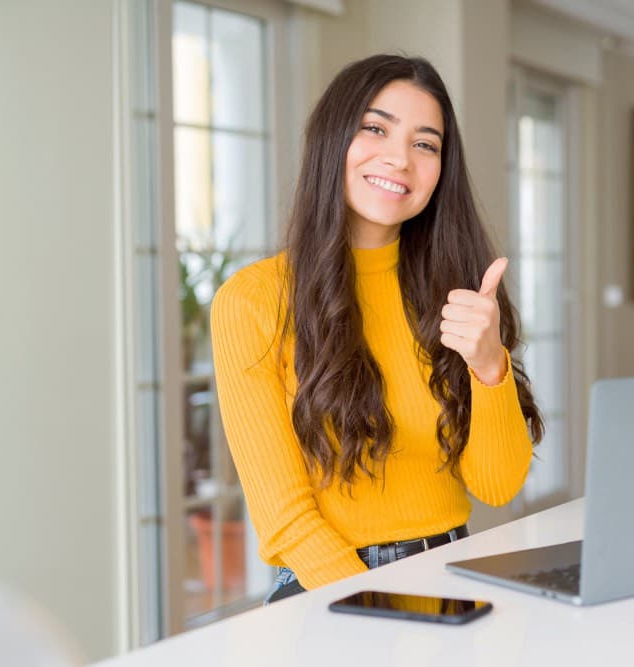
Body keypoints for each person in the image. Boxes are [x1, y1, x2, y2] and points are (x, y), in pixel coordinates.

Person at [211, 54, 544, 604]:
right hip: (327, 590)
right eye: (375, 128)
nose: (400, 159)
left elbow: (496, 484)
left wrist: (490, 365)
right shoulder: (253, 301)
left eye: (425, 143)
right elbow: (283, 518)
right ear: (332, 138)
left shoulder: (459, 293)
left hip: (452, 574)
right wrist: (382, 618)